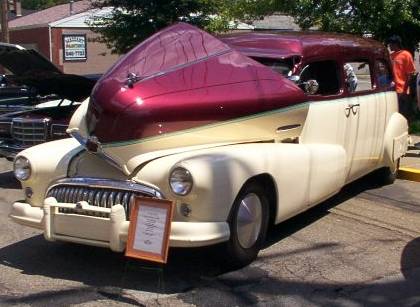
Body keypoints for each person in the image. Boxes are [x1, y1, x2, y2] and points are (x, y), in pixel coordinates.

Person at [387, 35, 416, 122]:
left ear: (396, 44)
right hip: (391, 89)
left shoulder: (406, 55)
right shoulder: (391, 56)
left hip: (402, 90)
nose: (389, 46)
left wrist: (404, 91)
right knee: (394, 113)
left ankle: (406, 130)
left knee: (403, 114)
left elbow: (410, 75)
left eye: (390, 44)